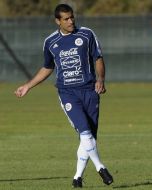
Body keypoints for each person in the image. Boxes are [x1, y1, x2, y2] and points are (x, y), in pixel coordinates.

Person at [14, 4, 113, 188]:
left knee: (89, 137)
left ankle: (77, 178)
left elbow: (98, 58)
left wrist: (101, 79)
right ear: (57, 21)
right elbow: (47, 67)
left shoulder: (86, 35)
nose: (71, 21)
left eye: (72, 17)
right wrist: (28, 86)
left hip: (90, 91)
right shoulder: (51, 42)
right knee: (84, 132)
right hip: (67, 93)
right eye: (66, 19)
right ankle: (100, 167)